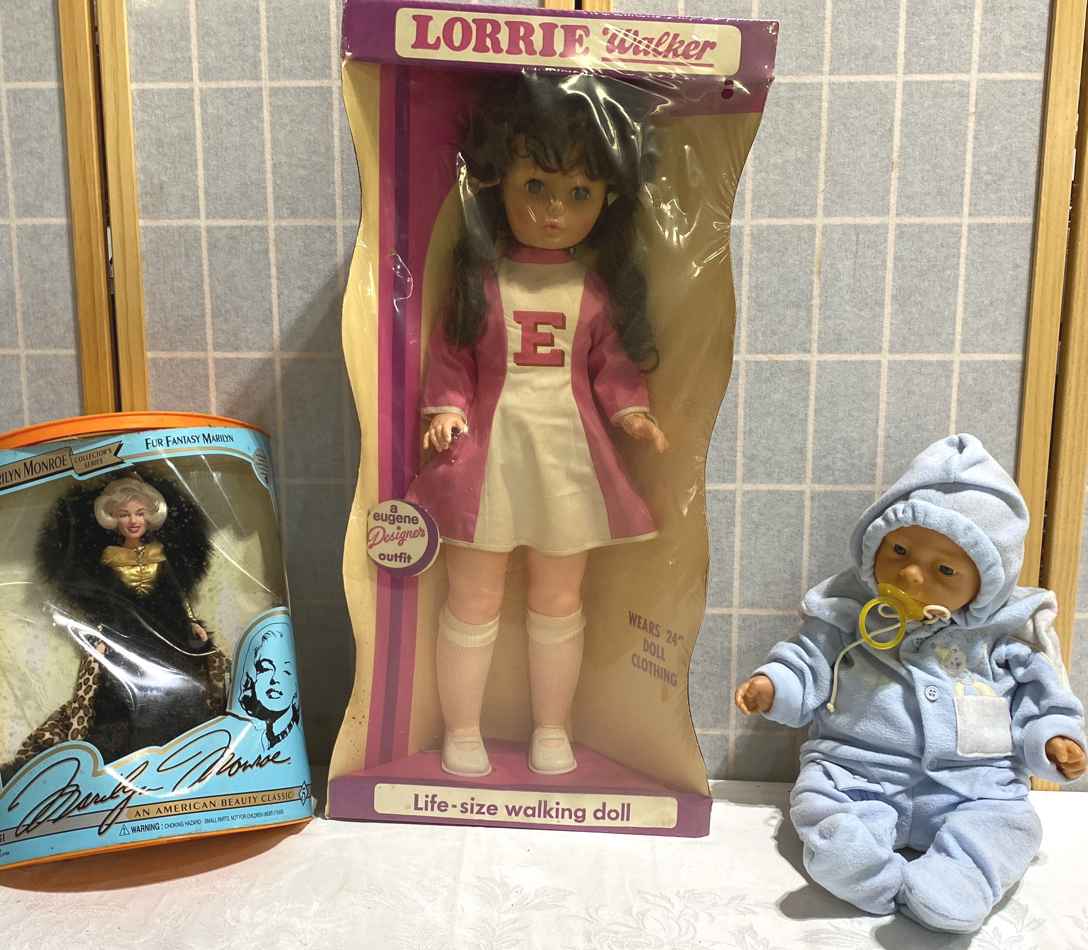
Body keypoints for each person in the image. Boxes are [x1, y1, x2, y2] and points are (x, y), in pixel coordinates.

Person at [407, 74, 666, 778]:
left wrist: (632, 411)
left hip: (567, 460)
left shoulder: (595, 288)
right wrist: (447, 409)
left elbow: (612, 364)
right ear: (499, 183)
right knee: (472, 597)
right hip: (485, 460)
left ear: (607, 198)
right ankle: (462, 730)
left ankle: (553, 728)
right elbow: (453, 357)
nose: (554, 211)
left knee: (559, 599)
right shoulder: (481, 280)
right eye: (536, 187)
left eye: (579, 193)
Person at [734, 434, 1086, 933]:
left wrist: (1054, 738)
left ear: (987, 582)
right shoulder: (848, 614)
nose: (912, 575)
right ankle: (863, 869)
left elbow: (1041, 696)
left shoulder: (1002, 638)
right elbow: (807, 661)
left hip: (973, 786)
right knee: (817, 801)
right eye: (899, 550)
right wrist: (773, 686)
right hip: (858, 772)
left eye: (944, 569)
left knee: (1010, 824)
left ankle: (957, 882)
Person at [1, 474, 230, 782]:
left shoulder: (161, 553)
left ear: (150, 516)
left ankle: (186, 753)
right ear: (112, 519)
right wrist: (100, 636)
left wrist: (190, 621)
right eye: (124, 514)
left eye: (139, 513)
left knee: (183, 697)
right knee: (118, 707)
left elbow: (176, 594)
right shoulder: (109, 558)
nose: (133, 521)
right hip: (125, 642)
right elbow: (103, 603)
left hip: (166, 640)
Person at [238, 624, 301, 751]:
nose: (275, 679)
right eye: (266, 668)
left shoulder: (295, 740)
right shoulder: (240, 735)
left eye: (287, 671)